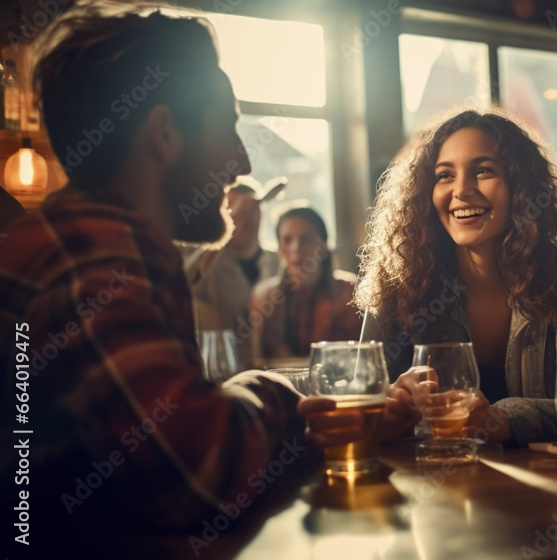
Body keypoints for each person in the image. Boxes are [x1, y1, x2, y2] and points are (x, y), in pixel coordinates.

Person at [0, 4, 361, 555]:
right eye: (228, 127)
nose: (241, 161)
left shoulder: (83, 239)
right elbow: (198, 469)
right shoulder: (95, 256)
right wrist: (268, 390)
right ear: (164, 132)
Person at [352, 108, 557, 446]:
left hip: (551, 490)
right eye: (444, 175)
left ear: (519, 186)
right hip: (429, 490)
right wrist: (392, 404)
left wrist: (502, 419)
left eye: (483, 171)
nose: (461, 190)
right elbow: (361, 406)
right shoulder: (398, 282)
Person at [181, 178, 279, 368]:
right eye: (236, 210)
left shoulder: (279, 260)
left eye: (253, 209)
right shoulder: (209, 265)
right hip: (225, 370)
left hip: (276, 370)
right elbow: (181, 280)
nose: (246, 218)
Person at [251, 207, 362, 361]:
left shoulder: (351, 292)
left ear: (323, 246)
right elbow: (256, 359)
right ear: (279, 249)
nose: (296, 248)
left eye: (306, 239)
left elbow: (359, 356)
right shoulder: (264, 298)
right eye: (287, 240)